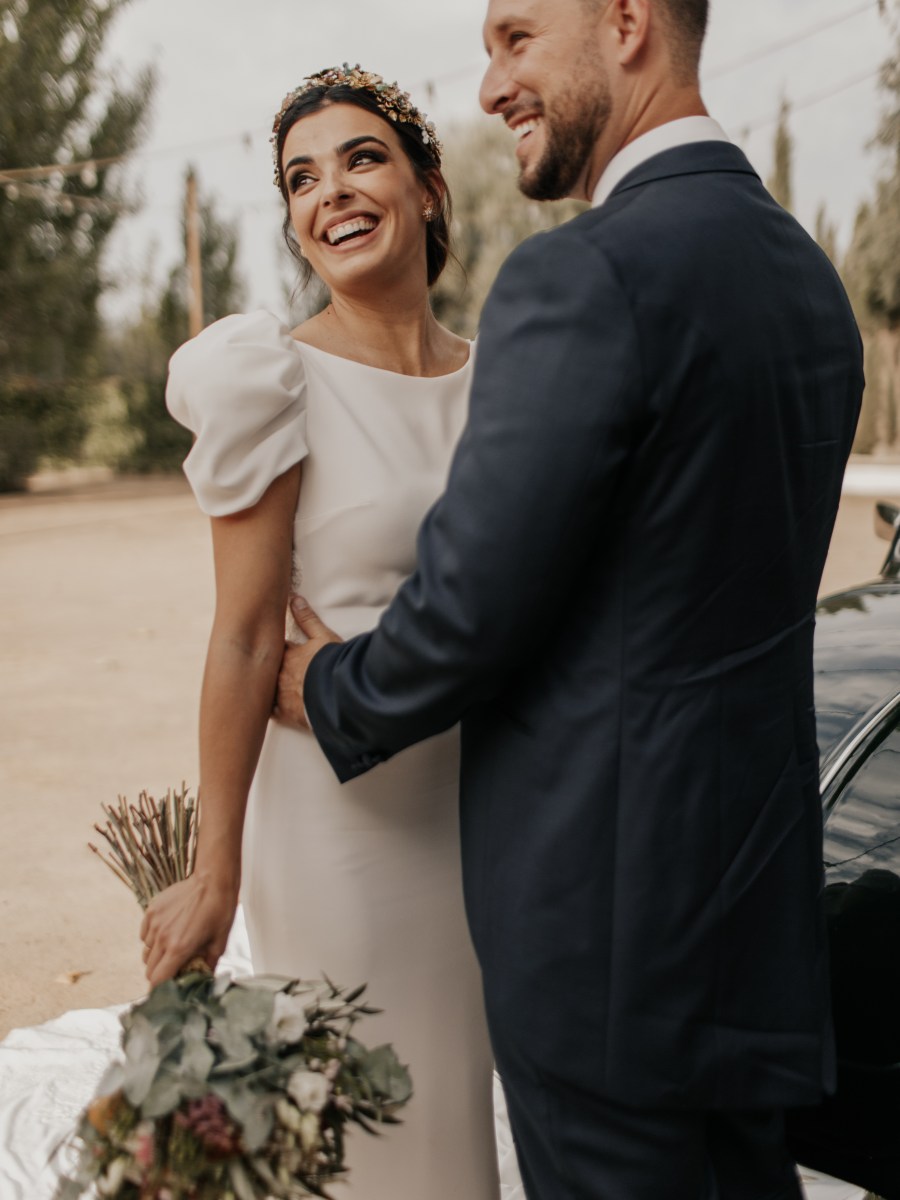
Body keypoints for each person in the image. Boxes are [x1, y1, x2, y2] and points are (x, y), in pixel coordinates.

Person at [273, 1, 866, 1197]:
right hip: (753, 932)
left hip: (601, 946)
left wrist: (327, 684)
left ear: (628, 21)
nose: (489, 86)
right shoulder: (806, 279)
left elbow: (466, 613)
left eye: (517, 38)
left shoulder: (581, 274)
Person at [140, 66, 501, 1200]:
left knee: (453, 1126)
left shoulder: (510, 383)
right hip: (337, 832)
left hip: (484, 817)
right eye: (301, 178)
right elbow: (246, 640)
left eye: (360, 159)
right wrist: (214, 871)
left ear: (430, 188)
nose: (329, 194)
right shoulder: (271, 382)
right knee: (362, 1129)